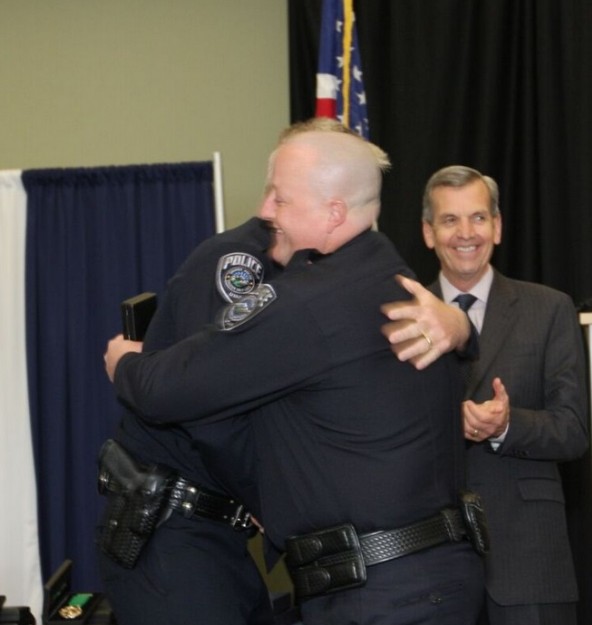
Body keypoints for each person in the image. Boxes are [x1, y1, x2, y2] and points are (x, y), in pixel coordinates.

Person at [104, 127, 484, 625]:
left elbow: (167, 390)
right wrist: (463, 327)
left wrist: (124, 362)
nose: (267, 212)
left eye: (281, 199)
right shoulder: (402, 285)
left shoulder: (309, 304)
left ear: (333, 213)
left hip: (378, 594)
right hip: (439, 577)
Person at [420, 165, 589, 625]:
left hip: (528, 560)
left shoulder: (549, 309)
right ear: (428, 233)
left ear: (497, 226)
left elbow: (574, 429)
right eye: (449, 220)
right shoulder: (400, 319)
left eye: (477, 218)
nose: (465, 233)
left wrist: (507, 425)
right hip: (428, 566)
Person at [97, 216, 277, 625]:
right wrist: (272, 501)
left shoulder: (298, 267)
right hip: (171, 530)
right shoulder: (239, 261)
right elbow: (208, 409)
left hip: (217, 533)